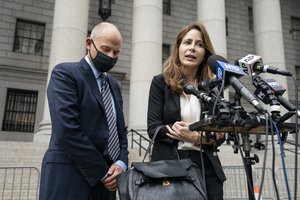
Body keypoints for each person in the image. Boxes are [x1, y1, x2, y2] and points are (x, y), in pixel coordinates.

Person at [39, 22, 128, 200]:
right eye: (106, 49)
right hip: (69, 179)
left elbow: (120, 132)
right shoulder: (65, 74)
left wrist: (121, 162)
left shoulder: (114, 86)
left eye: (116, 52)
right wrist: (102, 172)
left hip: (107, 186)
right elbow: (67, 129)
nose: (111, 56)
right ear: (89, 43)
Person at [147, 21, 226, 200]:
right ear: (179, 48)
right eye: (187, 42)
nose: (192, 48)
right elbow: (154, 128)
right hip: (169, 167)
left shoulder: (211, 90)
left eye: (199, 45)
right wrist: (185, 133)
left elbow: (220, 134)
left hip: (207, 170)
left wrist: (196, 137)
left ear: (205, 53)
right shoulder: (160, 83)